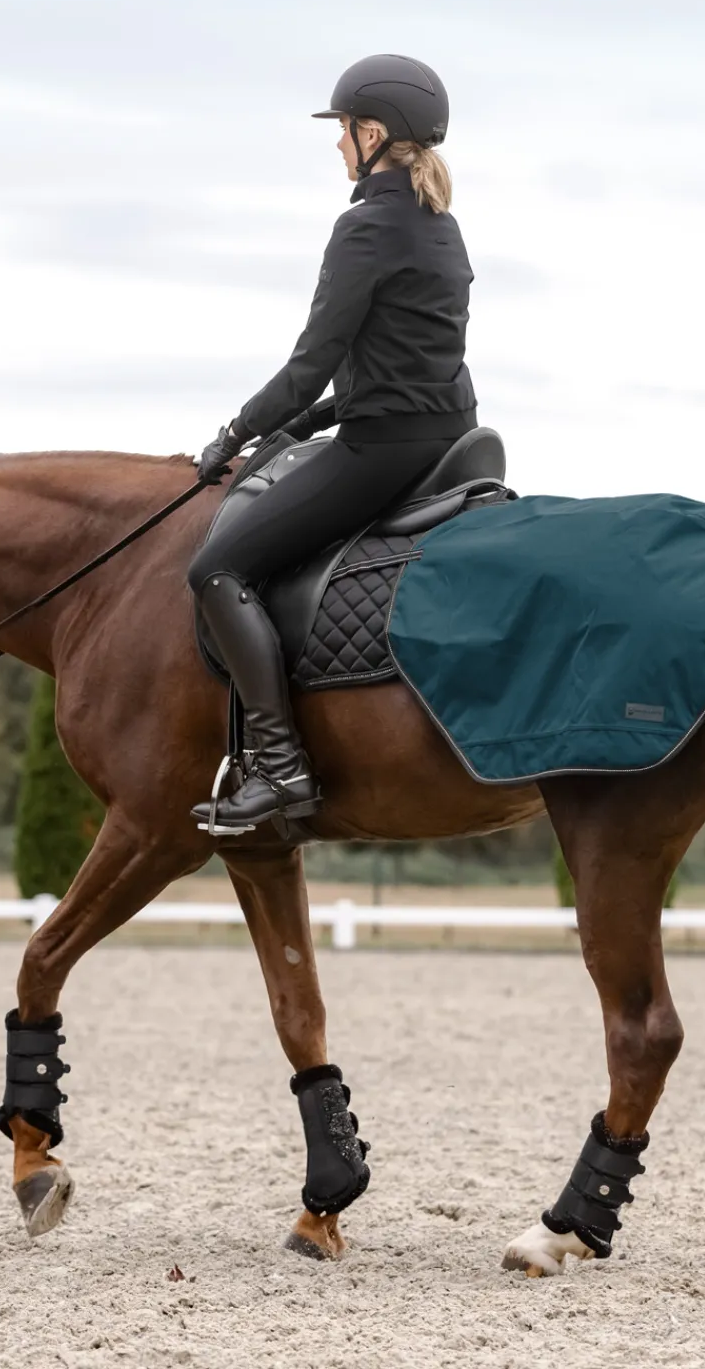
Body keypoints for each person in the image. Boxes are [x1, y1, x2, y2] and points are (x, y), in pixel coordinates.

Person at [187, 53, 478, 832]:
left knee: (217, 568)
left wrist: (234, 433)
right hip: (451, 437)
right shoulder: (438, 225)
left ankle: (281, 771)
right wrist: (300, 428)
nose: (337, 145)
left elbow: (312, 363)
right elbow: (392, 365)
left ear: (373, 134)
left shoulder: (365, 226)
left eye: (343, 131)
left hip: (385, 451)